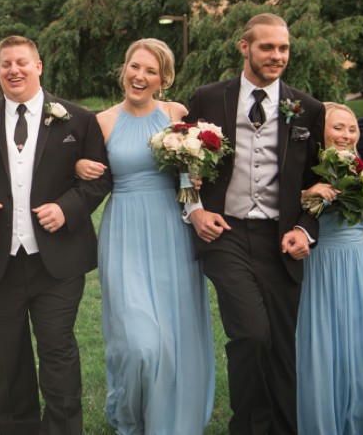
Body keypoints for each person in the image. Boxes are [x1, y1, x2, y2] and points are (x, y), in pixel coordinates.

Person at [0, 35, 112, 435]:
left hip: (57, 263)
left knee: (58, 352)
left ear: (38, 66)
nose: (13, 70)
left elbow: (98, 180)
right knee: (4, 360)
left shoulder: (78, 120)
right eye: (5, 64)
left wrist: (66, 208)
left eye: (22, 62)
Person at [185, 12, 323, 435]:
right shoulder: (209, 98)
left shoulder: (308, 109)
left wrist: (305, 230)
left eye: (283, 48)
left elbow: (316, 181)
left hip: (280, 237)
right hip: (226, 233)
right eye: (267, 47)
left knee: (282, 347)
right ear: (244, 47)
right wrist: (195, 210)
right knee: (251, 335)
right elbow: (181, 160)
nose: (277, 56)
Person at [76, 39, 214, 433]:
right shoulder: (101, 122)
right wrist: (80, 164)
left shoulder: (177, 115)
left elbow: (191, 177)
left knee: (174, 334)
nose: (140, 76)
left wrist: (196, 183)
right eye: (135, 67)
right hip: (125, 234)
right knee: (139, 343)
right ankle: (130, 415)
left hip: (173, 230)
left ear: (163, 79)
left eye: (150, 71)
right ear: (124, 70)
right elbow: (75, 172)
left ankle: (173, 417)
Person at [296, 102, 363, 433]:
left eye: (351, 128)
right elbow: (281, 207)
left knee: (360, 345)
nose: (346, 135)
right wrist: (310, 193)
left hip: (358, 266)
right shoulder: (306, 169)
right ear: (320, 130)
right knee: (322, 346)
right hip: (320, 266)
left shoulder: (362, 171)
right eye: (338, 127)